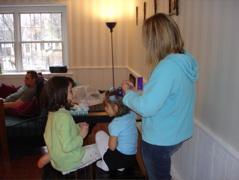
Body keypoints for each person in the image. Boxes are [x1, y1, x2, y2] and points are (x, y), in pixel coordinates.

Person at [121, 13, 199, 180]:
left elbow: (146, 108)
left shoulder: (167, 67)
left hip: (159, 139)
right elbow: (167, 97)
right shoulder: (184, 61)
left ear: (157, 40)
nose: (147, 45)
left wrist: (127, 95)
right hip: (175, 134)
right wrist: (138, 93)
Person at [37, 76, 101, 174]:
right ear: (60, 94)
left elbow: (57, 134)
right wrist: (81, 136)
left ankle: (52, 155)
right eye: (70, 91)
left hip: (61, 158)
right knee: (103, 148)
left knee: (96, 146)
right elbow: (67, 147)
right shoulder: (64, 117)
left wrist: (77, 126)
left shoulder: (53, 113)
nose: (73, 93)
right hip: (69, 161)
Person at [95, 87, 139, 172]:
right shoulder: (131, 115)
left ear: (115, 107)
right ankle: (119, 166)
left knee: (99, 134)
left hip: (118, 159)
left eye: (107, 106)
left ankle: (106, 165)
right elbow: (140, 115)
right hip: (131, 159)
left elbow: (111, 147)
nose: (105, 109)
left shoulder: (115, 124)